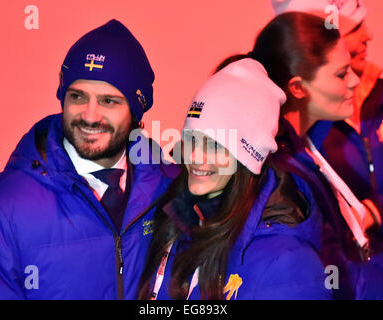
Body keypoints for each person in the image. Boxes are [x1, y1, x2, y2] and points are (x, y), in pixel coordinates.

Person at [0, 19, 178, 299]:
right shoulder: (0, 206)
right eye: (77, 97)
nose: (89, 115)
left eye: (108, 101)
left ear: (136, 111)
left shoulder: (174, 190)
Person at [138, 58, 331, 300]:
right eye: (192, 139)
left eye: (215, 146)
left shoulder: (288, 265)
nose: (196, 157)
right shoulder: (177, 220)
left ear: (248, 158)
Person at [246, 12, 383, 299]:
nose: (355, 81)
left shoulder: (303, 146)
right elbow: (339, 281)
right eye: (341, 73)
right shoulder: (283, 172)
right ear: (297, 87)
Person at [271, 0, 383, 242]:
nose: (369, 35)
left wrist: (373, 212)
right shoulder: (281, 156)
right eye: (354, 28)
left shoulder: (377, 92)